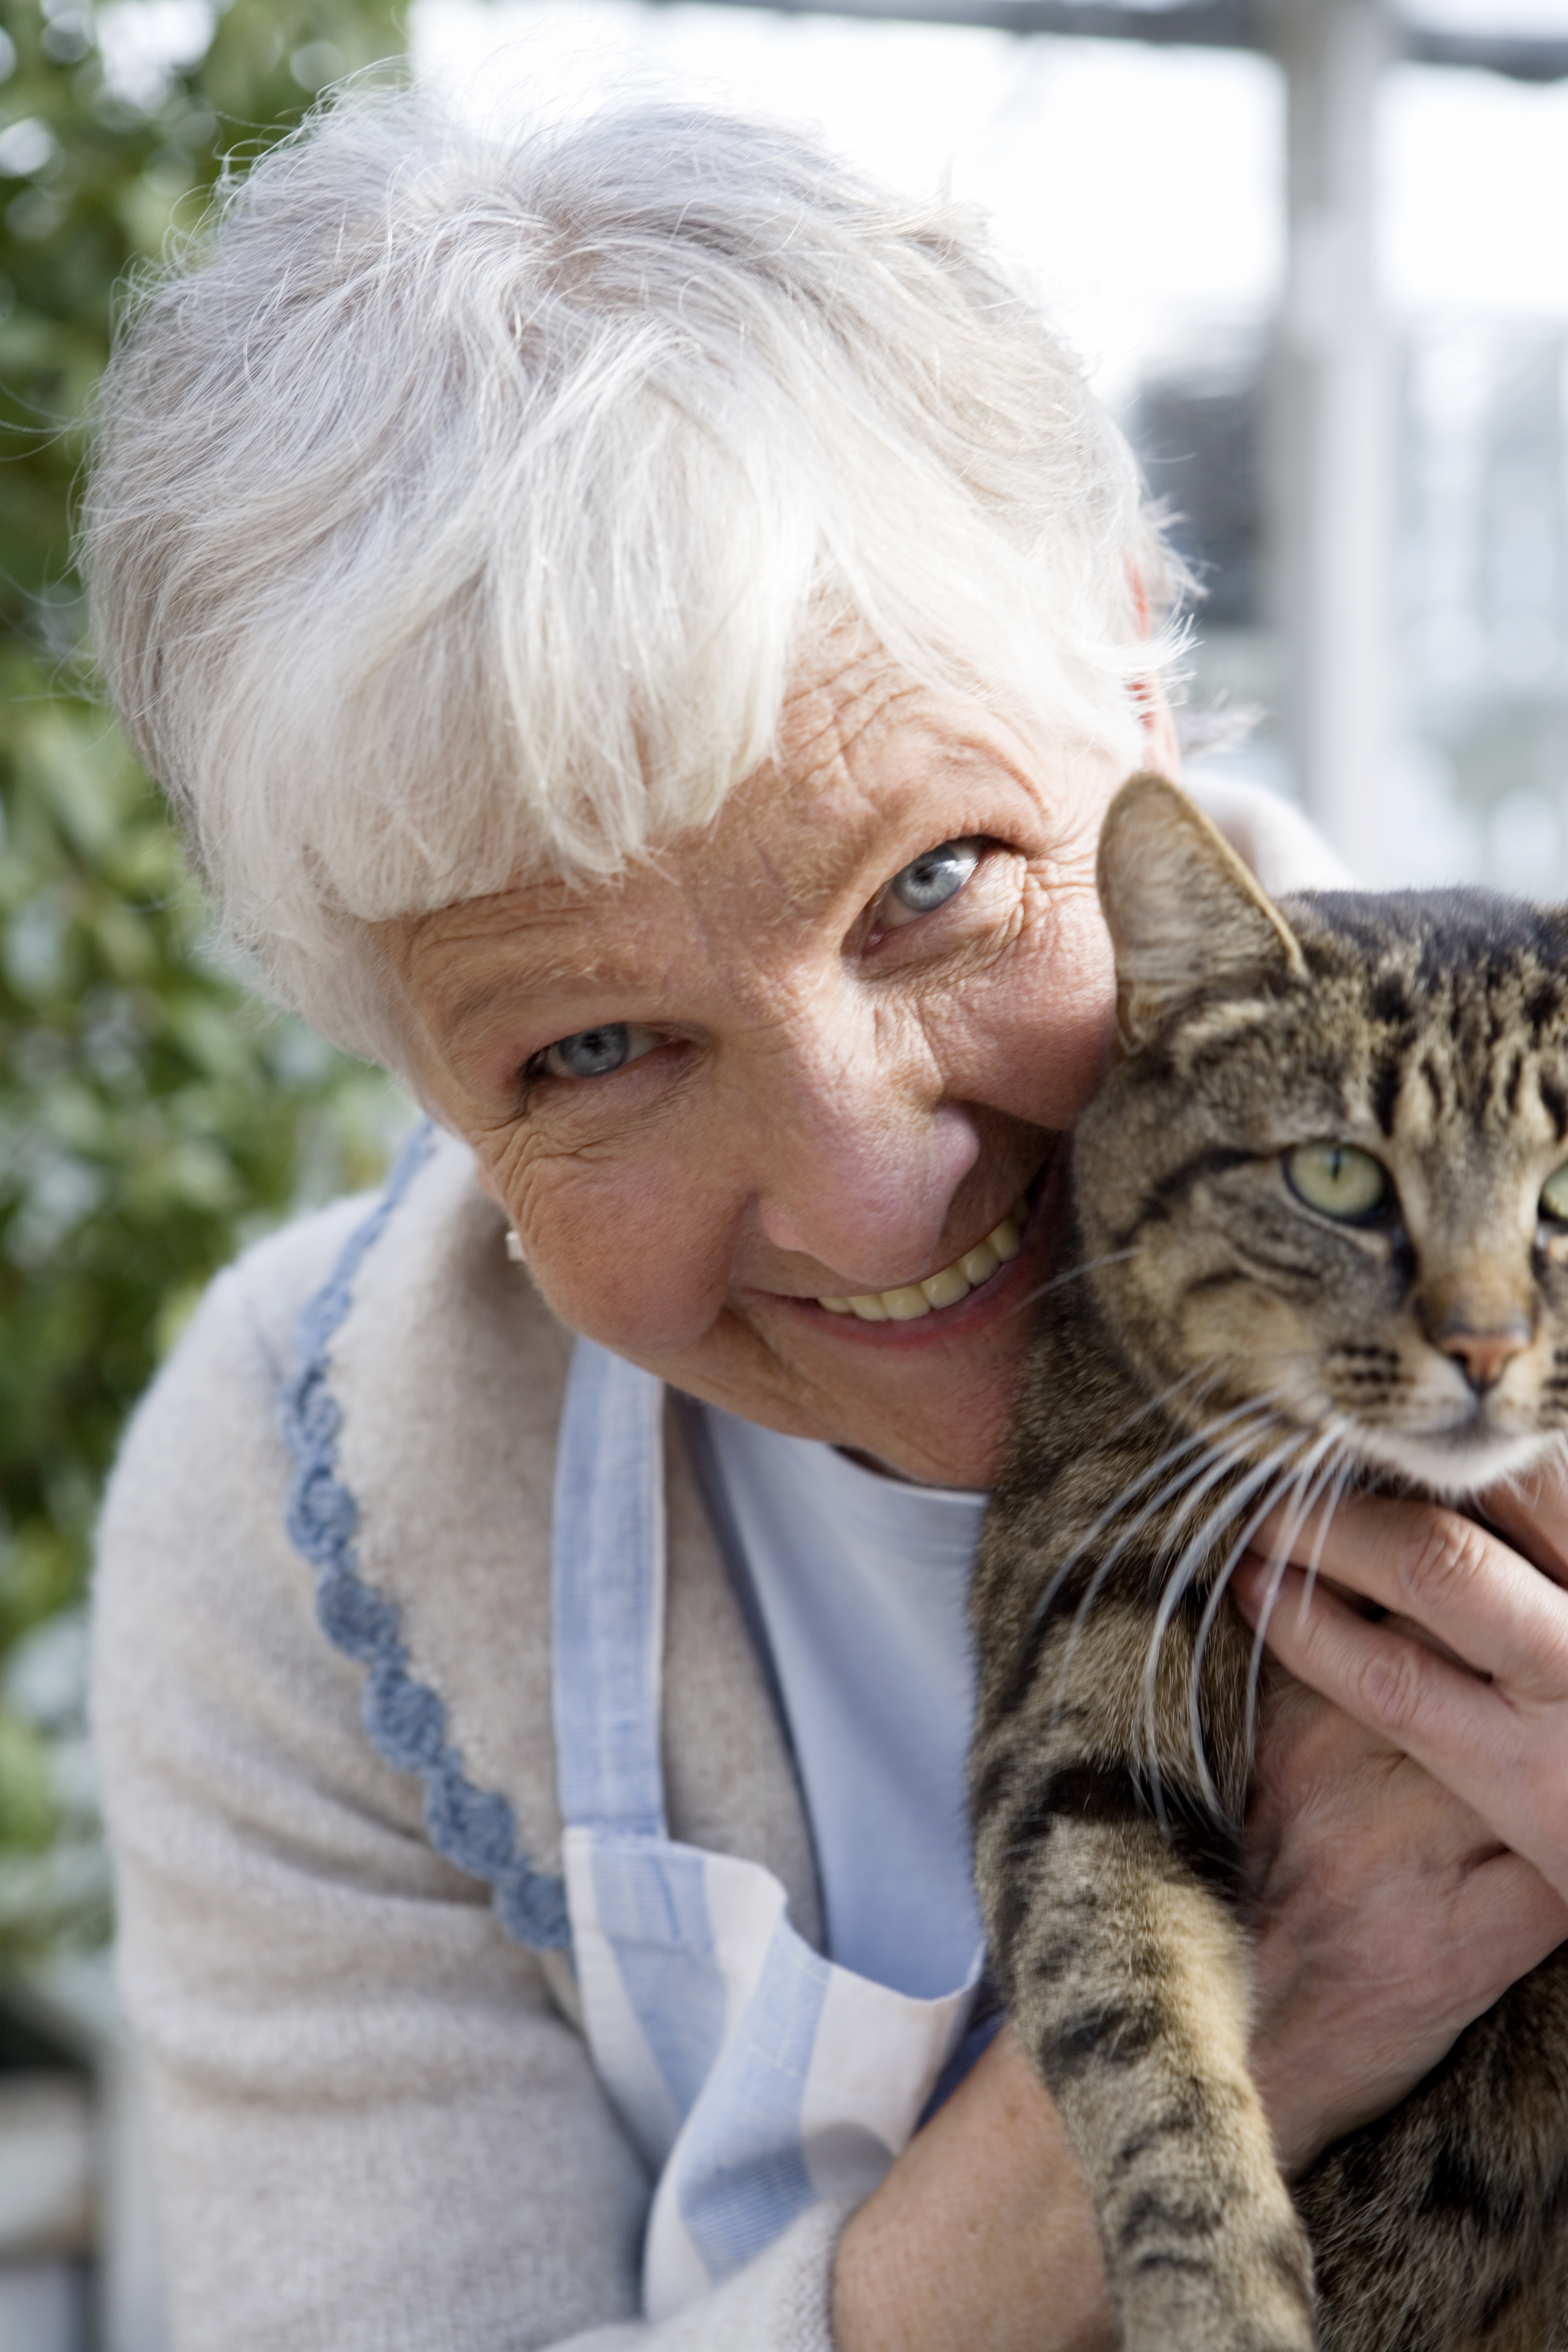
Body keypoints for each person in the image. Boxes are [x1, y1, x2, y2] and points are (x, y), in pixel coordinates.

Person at [84, 83, 1568, 2352]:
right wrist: (1287, 2011)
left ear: (1137, 671)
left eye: (939, 882)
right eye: (588, 1050)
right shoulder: (304, 1525)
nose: (882, 1194)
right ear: (403, 1075)